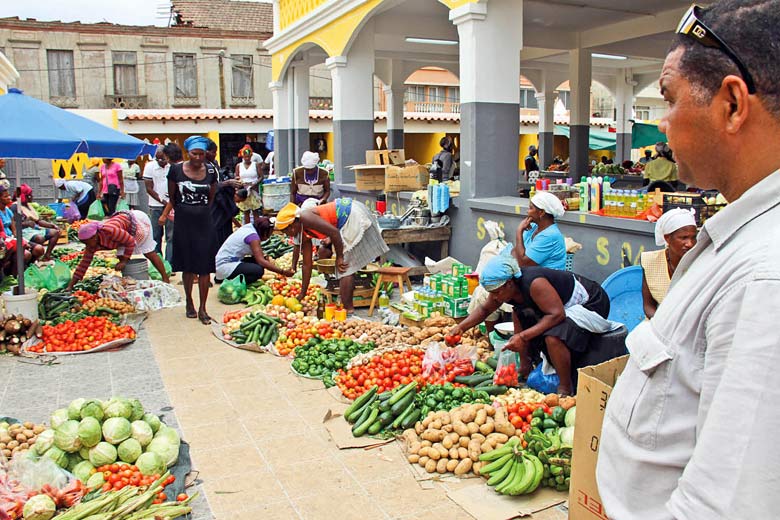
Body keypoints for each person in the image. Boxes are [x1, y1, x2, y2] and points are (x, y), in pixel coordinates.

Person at [597, 2, 780, 519]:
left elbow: (728, 504)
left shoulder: (765, 276)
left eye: (670, 98)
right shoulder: (740, 239)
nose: (661, 124)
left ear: (731, 104)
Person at [450, 254, 613, 395]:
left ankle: (565, 388)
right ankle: (525, 367)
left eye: (497, 292)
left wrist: (522, 336)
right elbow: (485, 310)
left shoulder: (535, 283)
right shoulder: (503, 290)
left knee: (552, 337)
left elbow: (557, 315)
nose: (496, 298)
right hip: (557, 307)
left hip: (590, 303)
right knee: (518, 313)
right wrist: (460, 328)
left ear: (509, 283)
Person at [275, 198, 389, 313]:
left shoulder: (305, 217)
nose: (287, 235)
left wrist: (339, 257)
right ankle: (346, 305)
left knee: (345, 268)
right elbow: (307, 264)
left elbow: (334, 232)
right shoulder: (302, 233)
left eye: (286, 232)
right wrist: (302, 293)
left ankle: (347, 309)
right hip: (345, 221)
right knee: (347, 265)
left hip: (352, 215)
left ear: (291, 226)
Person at [159, 136, 217, 324]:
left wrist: (202, 213)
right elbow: (173, 197)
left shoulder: (210, 170)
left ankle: (203, 308)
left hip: (204, 223)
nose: (198, 158)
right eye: (195, 154)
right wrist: (176, 213)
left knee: (205, 266)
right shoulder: (176, 170)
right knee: (188, 265)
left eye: (202, 154)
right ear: (187, 153)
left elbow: (211, 197)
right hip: (184, 223)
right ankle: (189, 302)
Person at [67, 211, 169, 289]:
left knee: (148, 252)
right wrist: (70, 286)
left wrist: (125, 260)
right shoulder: (91, 244)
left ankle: (165, 278)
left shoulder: (110, 231)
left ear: (94, 237)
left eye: (86, 242)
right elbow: (83, 265)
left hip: (137, 221)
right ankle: (129, 283)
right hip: (124, 230)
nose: (86, 246)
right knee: (120, 257)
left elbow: (129, 241)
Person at [640, 208, 697, 319]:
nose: (690, 244)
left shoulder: (700, 263)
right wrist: (662, 325)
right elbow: (648, 306)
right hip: (657, 323)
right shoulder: (651, 261)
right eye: (683, 238)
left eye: (693, 237)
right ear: (667, 238)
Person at [215, 217, 294, 284]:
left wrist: (265, 257)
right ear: (264, 231)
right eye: (269, 234)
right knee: (258, 271)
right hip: (226, 265)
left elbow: (259, 256)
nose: (268, 238)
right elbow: (261, 261)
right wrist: (283, 272)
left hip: (224, 263)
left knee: (256, 263)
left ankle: (223, 277)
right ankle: (230, 281)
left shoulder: (249, 227)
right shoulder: (253, 237)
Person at [512, 191, 567, 270]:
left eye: (531, 208)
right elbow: (515, 251)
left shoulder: (550, 235)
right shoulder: (533, 227)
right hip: (530, 275)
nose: (527, 211)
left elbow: (523, 263)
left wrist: (519, 231)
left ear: (541, 212)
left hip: (547, 279)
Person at [0, 186, 44, 274]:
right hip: (4, 240)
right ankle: (15, 275)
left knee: (39, 249)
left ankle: (27, 268)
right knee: (25, 253)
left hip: (11, 238)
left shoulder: (8, 210)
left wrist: (20, 240)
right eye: (5, 196)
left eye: (9, 195)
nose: (9, 198)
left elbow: (14, 229)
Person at [207, 139, 241, 250]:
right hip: (214, 207)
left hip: (223, 207)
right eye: (213, 152)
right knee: (216, 234)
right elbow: (208, 187)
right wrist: (227, 183)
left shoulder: (214, 165)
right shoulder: (202, 168)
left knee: (225, 234)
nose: (215, 154)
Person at [143, 146, 173, 264]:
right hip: (155, 205)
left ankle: (169, 263)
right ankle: (158, 262)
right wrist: (163, 201)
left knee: (171, 236)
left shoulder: (172, 166)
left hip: (171, 206)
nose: (162, 162)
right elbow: (148, 188)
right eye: (159, 159)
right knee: (156, 235)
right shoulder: (150, 167)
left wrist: (170, 202)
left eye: (164, 159)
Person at [16, 184, 61, 261]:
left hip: (33, 230)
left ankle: (47, 256)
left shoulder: (29, 206)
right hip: (23, 232)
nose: (32, 196)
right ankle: (34, 258)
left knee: (56, 232)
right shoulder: (15, 207)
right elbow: (13, 224)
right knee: (39, 238)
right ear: (25, 196)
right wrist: (26, 224)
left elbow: (38, 221)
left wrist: (52, 225)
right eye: (30, 195)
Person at [234, 145, 262, 224]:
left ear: (251, 156)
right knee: (246, 212)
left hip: (253, 190)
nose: (247, 158)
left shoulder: (255, 165)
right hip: (244, 190)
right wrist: (240, 182)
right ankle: (248, 228)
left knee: (255, 211)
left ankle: (257, 228)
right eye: (245, 157)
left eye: (248, 157)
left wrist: (255, 183)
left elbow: (261, 177)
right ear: (242, 156)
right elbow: (236, 176)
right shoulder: (239, 166)